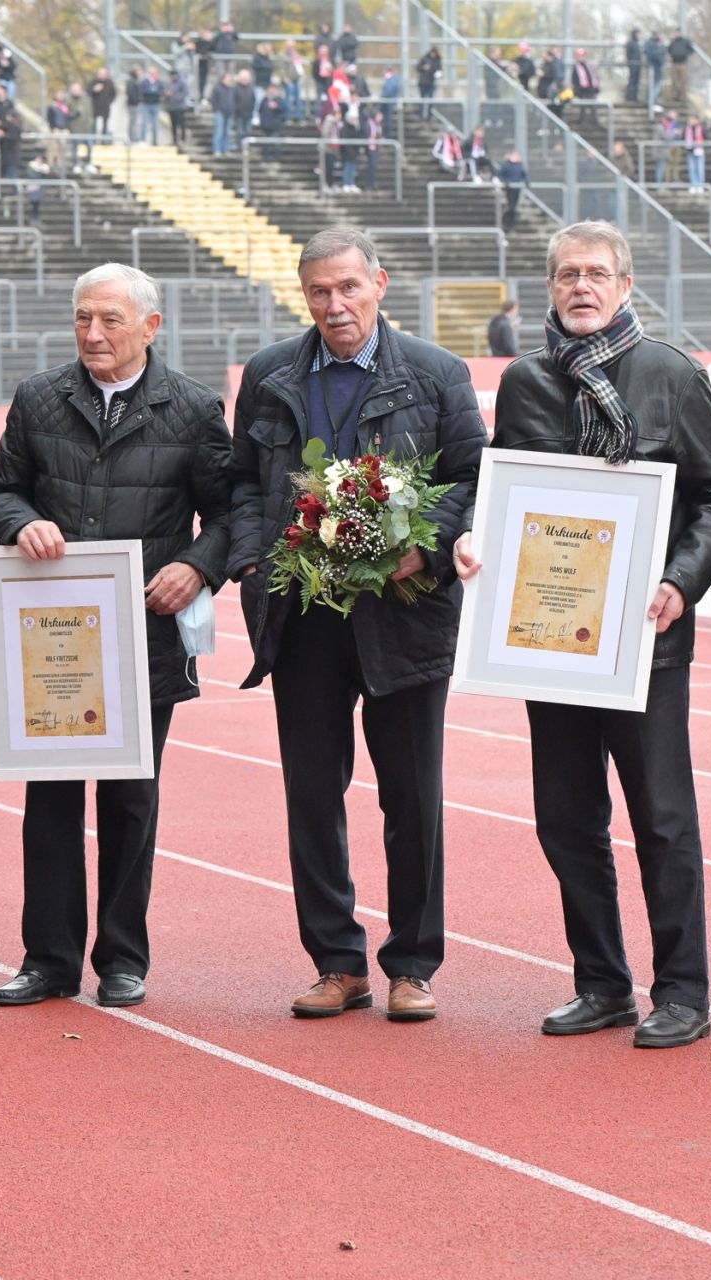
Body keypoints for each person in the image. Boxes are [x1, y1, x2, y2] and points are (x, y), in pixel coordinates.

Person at [450, 221, 711, 1045]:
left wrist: (680, 580)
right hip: (550, 643)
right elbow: (506, 493)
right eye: (567, 274)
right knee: (565, 818)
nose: (582, 286)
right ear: (550, 287)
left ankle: (682, 992)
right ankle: (602, 983)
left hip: (648, 640)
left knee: (663, 819)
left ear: (624, 286)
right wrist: (474, 539)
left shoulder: (672, 375)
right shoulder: (524, 383)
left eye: (597, 273)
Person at [227, 228, 485, 1022]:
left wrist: (425, 550)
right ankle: (337, 963)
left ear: (379, 283)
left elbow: (472, 477)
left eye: (348, 287)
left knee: (412, 797)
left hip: (405, 615)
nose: (335, 305)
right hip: (303, 614)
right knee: (312, 793)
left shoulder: (437, 374)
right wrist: (253, 562)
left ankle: (412, 966)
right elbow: (242, 485)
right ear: (303, 295)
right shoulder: (270, 374)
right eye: (319, 291)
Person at [0, 264, 232, 1010]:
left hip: (143, 639)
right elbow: (0, 492)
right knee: (51, 803)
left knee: (130, 801)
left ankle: (123, 958)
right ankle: (48, 960)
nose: (92, 333)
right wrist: (21, 522)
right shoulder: (39, 397)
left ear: (150, 327)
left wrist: (197, 567)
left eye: (110, 320)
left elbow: (229, 515)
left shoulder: (193, 409)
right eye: (82, 318)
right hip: (54, 639)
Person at [495, 148, 527, 229]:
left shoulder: (520, 165)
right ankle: (508, 221)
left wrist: (526, 182)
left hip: (517, 188)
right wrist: (506, 182)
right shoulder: (506, 165)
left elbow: (524, 175)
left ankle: (510, 220)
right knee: (511, 205)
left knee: (514, 205)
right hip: (510, 188)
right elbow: (500, 175)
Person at [666, 28, 694, 107]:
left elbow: (691, 50)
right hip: (674, 63)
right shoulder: (673, 41)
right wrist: (673, 55)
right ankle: (674, 96)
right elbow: (669, 50)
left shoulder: (685, 41)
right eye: (676, 33)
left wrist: (684, 54)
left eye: (678, 33)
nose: (677, 34)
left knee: (683, 81)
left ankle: (683, 97)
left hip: (683, 63)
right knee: (674, 80)